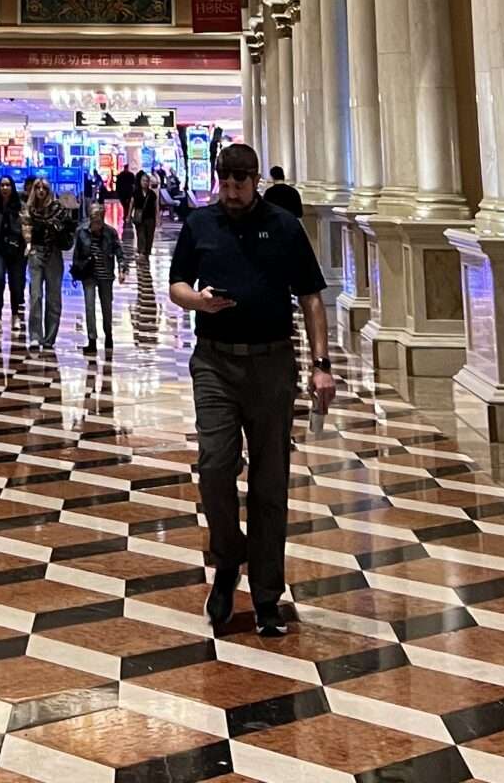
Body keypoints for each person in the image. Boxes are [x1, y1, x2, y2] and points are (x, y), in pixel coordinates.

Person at [169, 142, 334, 639]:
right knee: (214, 466)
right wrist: (197, 301)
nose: (232, 190)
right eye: (224, 180)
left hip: (271, 364)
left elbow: (310, 297)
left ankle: (266, 593)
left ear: (255, 179)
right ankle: (228, 557)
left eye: (240, 181)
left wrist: (321, 365)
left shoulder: (284, 226)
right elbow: (177, 283)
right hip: (214, 362)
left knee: (269, 482)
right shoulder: (201, 223)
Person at [72, 194, 126, 356]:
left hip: (106, 274)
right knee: (89, 306)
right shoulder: (81, 232)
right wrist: (76, 273)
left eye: (98, 220)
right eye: (93, 219)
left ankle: (108, 335)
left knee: (106, 306)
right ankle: (92, 340)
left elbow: (119, 251)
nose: (95, 223)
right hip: (88, 273)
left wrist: (122, 269)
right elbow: (77, 255)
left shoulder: (110, 232)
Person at [25, 179, 76, 348]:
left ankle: (50, 337)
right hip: (36, 252)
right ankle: (35, 335)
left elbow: (69, 228)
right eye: (38, 188)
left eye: (44, 188)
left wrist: (58, 229)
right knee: (35, 295)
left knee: (53, 297)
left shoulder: (58, 209)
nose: (41, 191)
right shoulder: (30, 210)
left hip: (54, 253)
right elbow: (25, 229)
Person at [0, 175, 27, 328]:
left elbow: (25, 227)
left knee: (15, 283)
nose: (5, 188)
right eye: (2, 185)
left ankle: (15, 315)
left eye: (8, 185)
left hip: (16, 250)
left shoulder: (20, 207)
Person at [134, 169, 161, 263]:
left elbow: (156, 206)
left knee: (149, 236)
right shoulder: (136, 192)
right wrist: (128, 215)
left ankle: (147, 252)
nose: (144, 183)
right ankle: (142, 252)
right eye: (143, 181)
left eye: (146, 181)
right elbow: (132, 204)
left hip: (150, 218)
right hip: (139, 218)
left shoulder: (152, 194)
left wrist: (157, 218)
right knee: (141, 235)